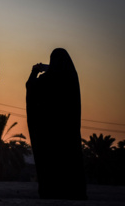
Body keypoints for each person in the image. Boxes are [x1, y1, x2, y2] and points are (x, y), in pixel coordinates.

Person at [26, 48, 87, 200]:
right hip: (68, 130)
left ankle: (51, 190)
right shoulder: (71, 77)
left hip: (50, 133)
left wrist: (35, 71)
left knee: (51, 161)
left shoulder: (49, 78)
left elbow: (31, 86)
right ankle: (74, 191)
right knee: (70, 159)